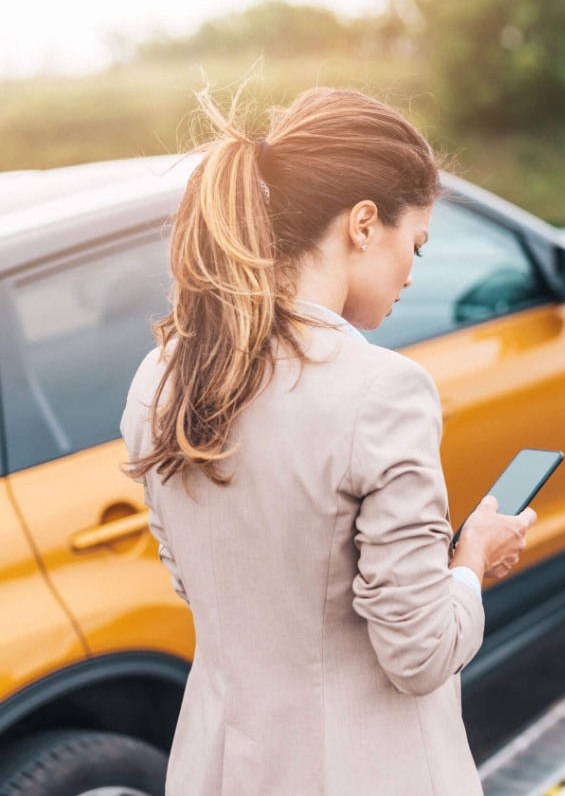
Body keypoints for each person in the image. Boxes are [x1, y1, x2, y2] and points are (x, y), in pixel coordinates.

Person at [121, 85, 537, 795]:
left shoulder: (160, 376)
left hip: (217, 768)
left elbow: (210, 578)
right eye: (417, 243)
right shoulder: (383, 390)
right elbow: (422, 652)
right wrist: (468, 561)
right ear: (365, 224)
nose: (413, 271)